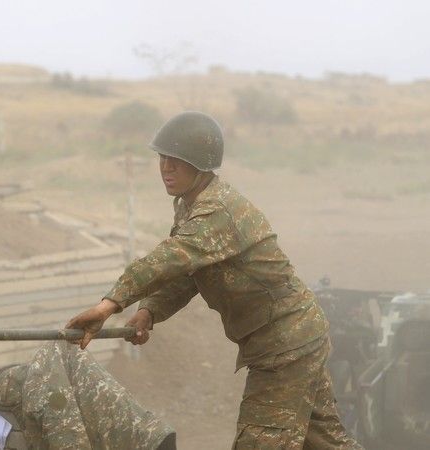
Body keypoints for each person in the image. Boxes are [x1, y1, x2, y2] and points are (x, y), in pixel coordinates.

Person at [66, 111, 363, 449]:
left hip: (285, 346)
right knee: (326, 442)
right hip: (295, 338)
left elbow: (168, 259)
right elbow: (189, 274)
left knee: (259, 442)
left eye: (177, 161)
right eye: (163, 158)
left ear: (201, 165)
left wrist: (108, 306)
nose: (166, 167)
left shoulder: (216, 211)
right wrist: (149, 311)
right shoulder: (190, 205)